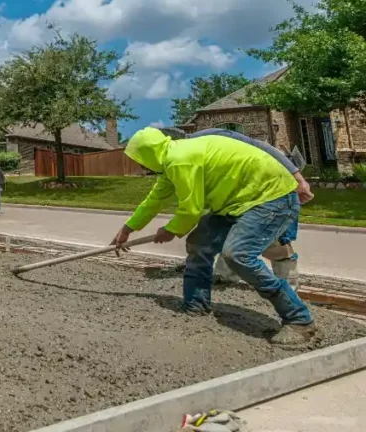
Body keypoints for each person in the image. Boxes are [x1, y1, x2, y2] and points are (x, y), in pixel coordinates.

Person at [112, 128, 316, 346]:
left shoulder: (180, 159)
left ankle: (299, 321)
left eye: (139, 160)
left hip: (270, 198)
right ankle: (196, 305)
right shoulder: (172, 161)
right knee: (199, 244)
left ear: (147, 155)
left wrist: (170, 229)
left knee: (238, 254)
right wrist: (128, 229)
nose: (140, 166)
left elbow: (191, 210)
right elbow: (154, 200)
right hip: (235, 203)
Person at [163, 128, 312, 289]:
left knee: (275, 242)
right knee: (228, 233)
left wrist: (299, 179)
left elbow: (264, 147)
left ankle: (288, 284)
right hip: (237, 196)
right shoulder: (187, 159)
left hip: (269, 188)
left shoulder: (216, 137)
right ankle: (224, 277)